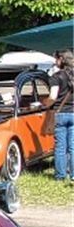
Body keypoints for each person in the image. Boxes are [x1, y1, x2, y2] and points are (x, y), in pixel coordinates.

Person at [48, 49, 74, 183]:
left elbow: (52, 97)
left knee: (60, 147)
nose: (55, 61)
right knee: (73, 146)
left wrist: (42, 103)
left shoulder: (56, 77)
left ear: (61, 60)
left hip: (61, 113)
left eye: (56, 59)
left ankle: (60, 176)